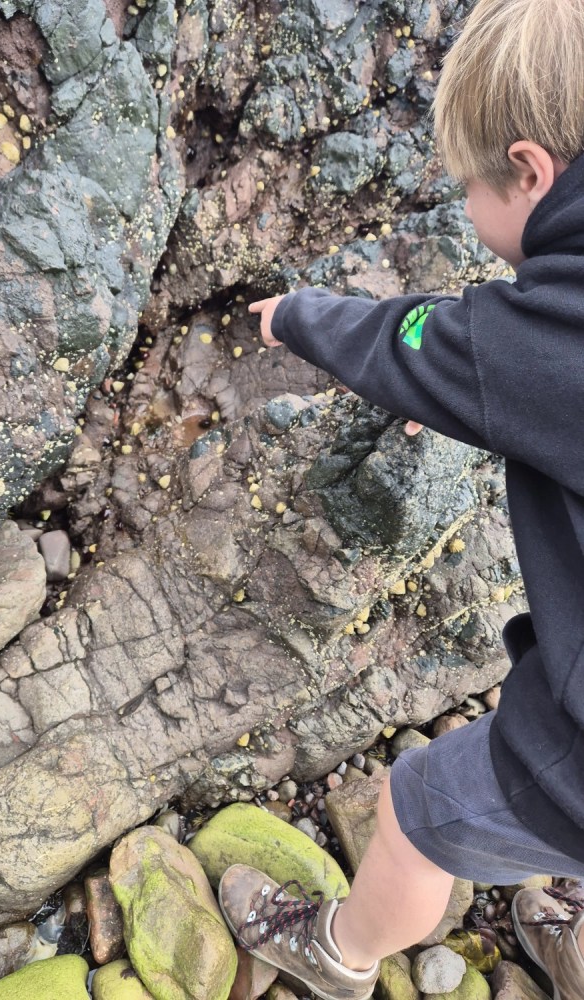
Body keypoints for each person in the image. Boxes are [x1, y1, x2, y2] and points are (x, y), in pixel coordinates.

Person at [216, 1, 584, 998]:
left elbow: (409, 341)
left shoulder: (550, 329)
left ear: (531, 173)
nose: (466, 207)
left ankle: (334, 953)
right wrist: (490, 396)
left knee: (418, 811)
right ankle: (567, 910)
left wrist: (297, 314)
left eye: (469, 188)